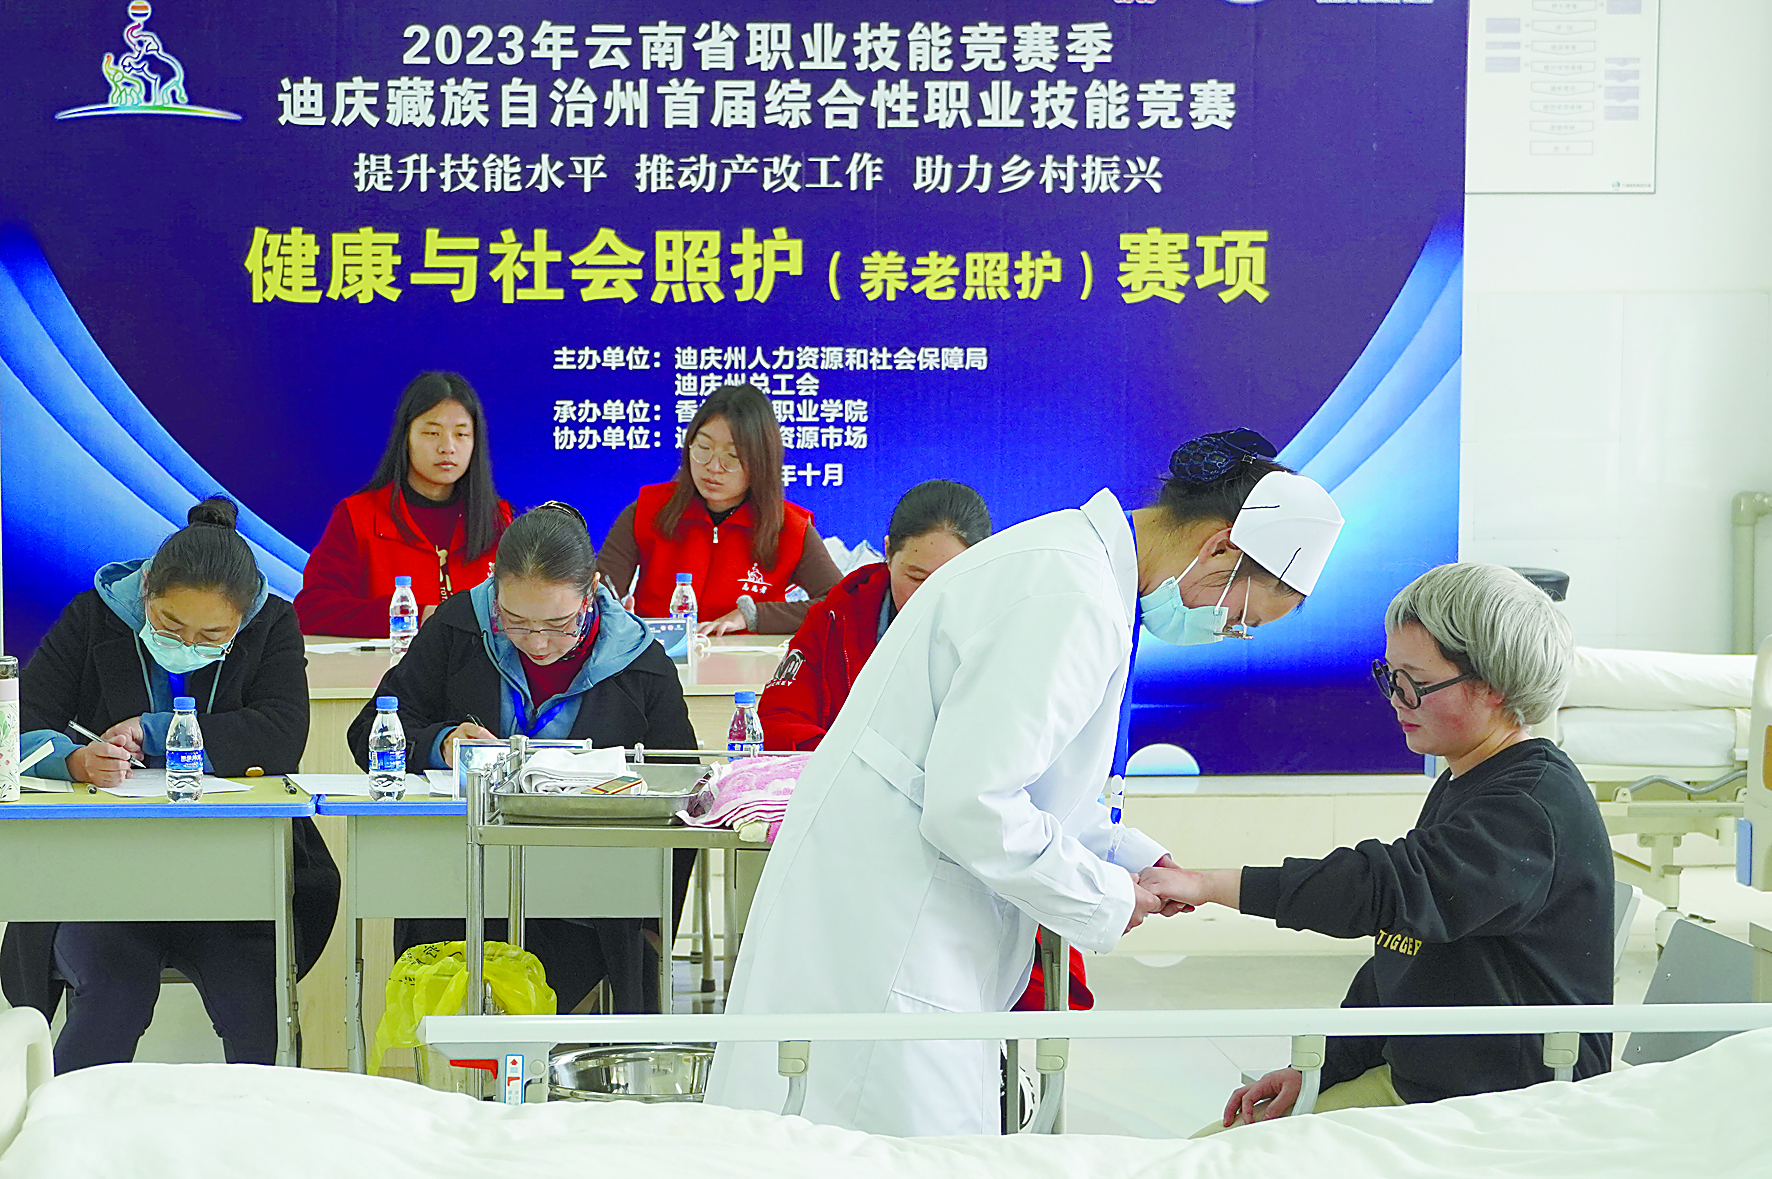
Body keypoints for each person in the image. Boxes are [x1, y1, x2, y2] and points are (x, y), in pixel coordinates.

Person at [704, 428, 1345, 1135]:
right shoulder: (1070, 594)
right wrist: (1108, 897)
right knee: (888, 1144)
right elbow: (973, 804)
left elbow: (1027, 777)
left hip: (898, 908)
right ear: (1220, 548)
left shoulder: (1072, 563)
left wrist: (1129, 856)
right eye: (1240, 618)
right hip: (895, 927)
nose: (1225, 632)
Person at [1139, 563, 1612, 1133]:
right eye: (1390, 675)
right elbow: (1404, 955)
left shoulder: (1528, 806)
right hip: (1428, 1081)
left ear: (1494, 686)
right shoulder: (1470, 780)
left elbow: (1380, 889)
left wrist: (1209, 885)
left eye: (1415, 682)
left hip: (1496, 1106)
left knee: (1210, 1160)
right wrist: (1321, 1068)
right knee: (1207, 1150)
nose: (1396, 699)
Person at [0, 498, 339, 1071]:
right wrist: (74, 760)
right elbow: (18, 725)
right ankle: (66, 1126)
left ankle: (264, 1126)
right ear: (145, 591)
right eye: (170, 625)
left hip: (232, 881)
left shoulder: (272, 623)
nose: (188, 643)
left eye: (212, 635)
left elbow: (281, 735)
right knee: (113, 993)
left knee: (257, 1004)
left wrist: (156, 730)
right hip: (103, 880)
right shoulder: (94, 616)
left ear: (242, 618)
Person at [347, 502, 698, 1013]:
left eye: (558, 623)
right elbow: (370, 733)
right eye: (515, 621)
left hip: (584, 905)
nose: (538, 643)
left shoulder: (639, 663)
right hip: (462, 886)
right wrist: (440, 743)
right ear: (494, 584)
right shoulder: (460, 628)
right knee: (457, 1012)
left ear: (592, 591)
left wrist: (653, 930)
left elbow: (681, 797)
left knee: (531, 1018)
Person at [760, 479, 993, 752]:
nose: (929, 595)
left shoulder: (1009, 627)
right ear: (888, 553)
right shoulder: (835, 620)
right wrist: (856, 765)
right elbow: (778, 723)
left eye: (950, 579)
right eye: (916, 578)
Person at [596, 384, 842, 636]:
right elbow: (596, 593)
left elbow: (842, 603)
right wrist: (611, 615)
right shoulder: (648, 511)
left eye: (732, 456)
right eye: (703, 448)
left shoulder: (789, 527)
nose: (713, 467)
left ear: (761, 462)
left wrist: (753, 616)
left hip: (747, 659)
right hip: (657, 655)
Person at [295, 371, 513, 636]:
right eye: (432, 432)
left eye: (461, 434)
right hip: (391, 662)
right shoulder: (359, 516)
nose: (447, 447)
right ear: (406, 437)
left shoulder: (499, 520)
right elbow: (313, 609)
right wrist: (417, 616)